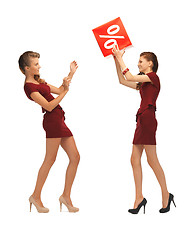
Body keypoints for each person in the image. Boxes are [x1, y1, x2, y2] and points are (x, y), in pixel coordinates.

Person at [112, 45, 176, 214]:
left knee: (151, 160)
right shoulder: (145, 81)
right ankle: (139, 197)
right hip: (141, 119)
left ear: (150, 63)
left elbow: (130, 76)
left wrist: (120, 58)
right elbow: (123, 80)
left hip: (147, 119)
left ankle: (166, 194)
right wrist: (115, 60)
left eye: (141, 61)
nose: (138, 64)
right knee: (134, 159)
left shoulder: (153, 77)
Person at [18, 51, 80, 213]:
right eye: (36, 64)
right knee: (50, 159)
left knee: (75, 157)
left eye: (39, 63)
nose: (40, 66)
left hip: (59, 120)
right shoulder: (29, 87)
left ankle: (66, 196)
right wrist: (66, 92)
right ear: (27, 68)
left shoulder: (39, 82)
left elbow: (59, 90)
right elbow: (49, 106)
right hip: (52, 122)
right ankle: (35, 196)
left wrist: (70, 74)